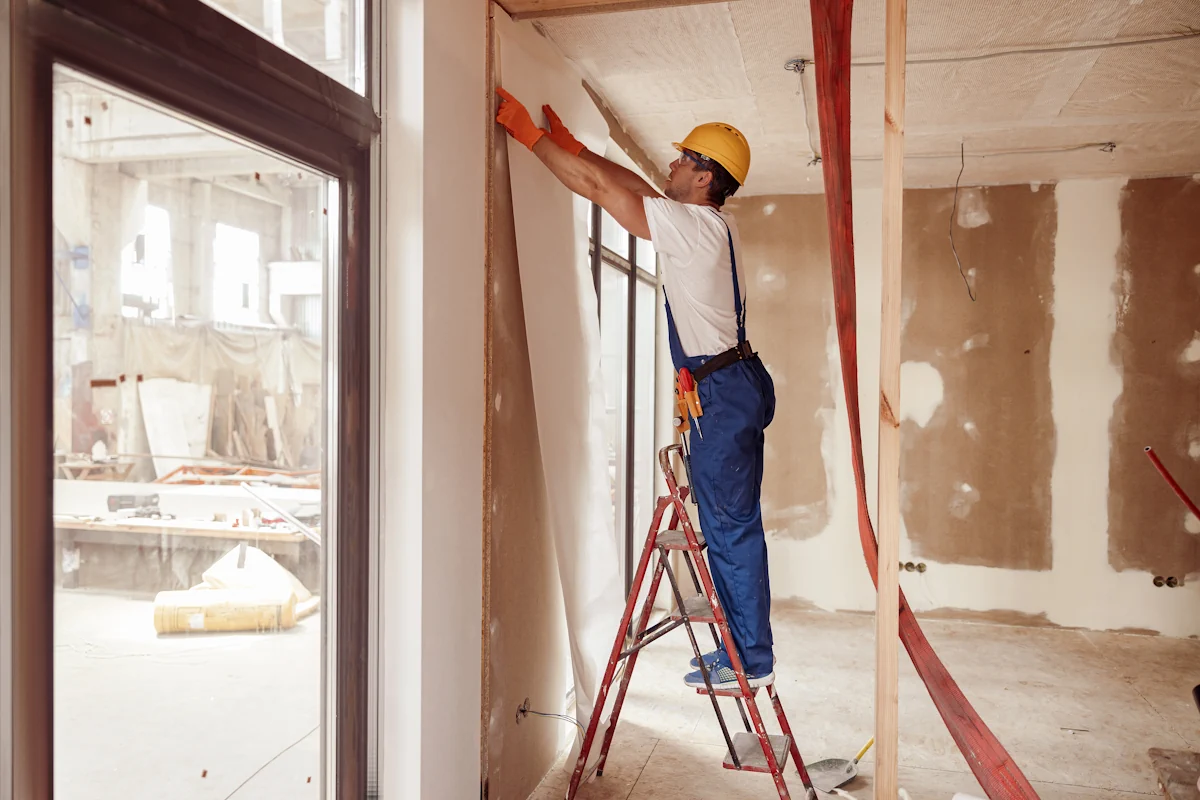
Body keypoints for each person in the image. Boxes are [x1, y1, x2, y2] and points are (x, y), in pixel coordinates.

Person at [496, 89, 776, 691]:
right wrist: (577, 149)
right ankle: (742, 648)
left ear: (704, 178)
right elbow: (633, 188)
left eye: (682, 159)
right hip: (732, 384)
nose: (670, 165)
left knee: (729, 528)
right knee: (729, 524)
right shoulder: (704, 223)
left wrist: (531, 138)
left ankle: (749, 662)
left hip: (723, 394)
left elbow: (606, 194)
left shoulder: (694, 228)